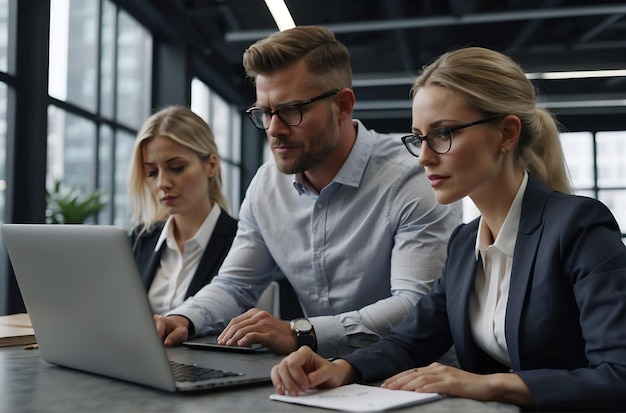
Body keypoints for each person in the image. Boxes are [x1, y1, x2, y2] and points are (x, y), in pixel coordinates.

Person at [270, 46, 626, 411]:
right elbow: (411, 341)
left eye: (443, 134)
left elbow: (618, 375)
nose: (424, 156)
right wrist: (340, 368)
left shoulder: (579, 227)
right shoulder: (465, 242)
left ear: (506, 133)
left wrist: (489, 386)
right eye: (418, 138)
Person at [154, 26, 461, 358]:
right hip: (313, 374)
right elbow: (235, 285)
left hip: (412, 375)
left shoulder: (411, 178)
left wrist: (305, 333)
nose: (274, 130)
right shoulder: (266, 186)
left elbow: (414, 304)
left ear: (342, 105)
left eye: (291, 110)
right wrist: (183, 318)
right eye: (265, 113)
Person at [127, 105, 238, 315]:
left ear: (211, 166)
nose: (162, 183)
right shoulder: (141, 240)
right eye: (151, 172)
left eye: (177, 167)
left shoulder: (242, 241)